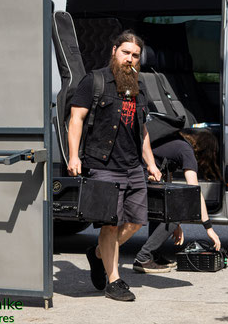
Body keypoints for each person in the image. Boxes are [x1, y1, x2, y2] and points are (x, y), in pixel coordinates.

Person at [67, 30, 161, 302]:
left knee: (135, 222)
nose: (130, 59)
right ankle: (115, 280)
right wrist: (74, 156)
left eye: (135, 55)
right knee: (109, 225)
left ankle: (98, 254)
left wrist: (151, 164)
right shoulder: (94, 81)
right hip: (104, 164)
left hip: (133, 166)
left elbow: (141, 130)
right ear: (114, 51)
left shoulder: (138, 86)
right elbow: (76, 119)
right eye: (126, 52)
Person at [133, 131, 222, 273]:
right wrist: (208, 228)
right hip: (140, 176)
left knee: (167, 209)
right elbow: (194, 193)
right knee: (179, 211)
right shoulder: (187, 152)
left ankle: (153, 255)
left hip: (138, 172)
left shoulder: (177, 142)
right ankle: (143, 257)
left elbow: (167, 183)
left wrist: (175, 223)